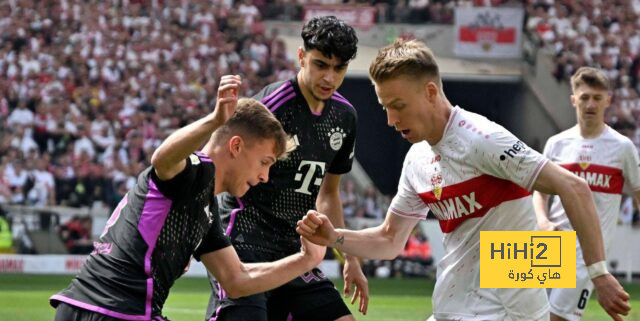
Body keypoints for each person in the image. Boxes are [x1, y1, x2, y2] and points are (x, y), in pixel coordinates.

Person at [296, 39, 631, 321]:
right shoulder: (417, 159)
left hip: (506, 309)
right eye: (385, 107)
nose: (390, 119)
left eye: (398, 105)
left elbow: (574, 186)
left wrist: (599, 273)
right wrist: (335, 237)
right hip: (453, 304)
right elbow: (390, 239)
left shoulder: (482, 138)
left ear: (430, 92)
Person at [49, 75, 326, 321]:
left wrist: (305, 259)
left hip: (85, 307)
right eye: (264, 162)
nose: (265, 176)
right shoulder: (195, 170)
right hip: (116, 310)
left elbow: (237, 280)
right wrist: (216, 119)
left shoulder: (205, 207)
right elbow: (162, 159)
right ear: (236, 146)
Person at [206, 16, 368, 321]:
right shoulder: (270, 108)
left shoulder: (346, 118)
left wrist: (351, 259)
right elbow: (220, 167)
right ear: (301, 57)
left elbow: (329, 195)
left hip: (296, 247)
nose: (329, 78)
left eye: (339, 69)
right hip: (244, 240)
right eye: (321, 65)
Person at [532, 67, 640, 321]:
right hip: (549, 243)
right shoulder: (556, 143)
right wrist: (543, 221)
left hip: (587, 252)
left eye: (597, 98)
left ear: (608, 101)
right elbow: (540, 191)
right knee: (522, 311)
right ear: (573, 99)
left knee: (557, 318)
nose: (590, 104)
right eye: (584, 97)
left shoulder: (622, 147)